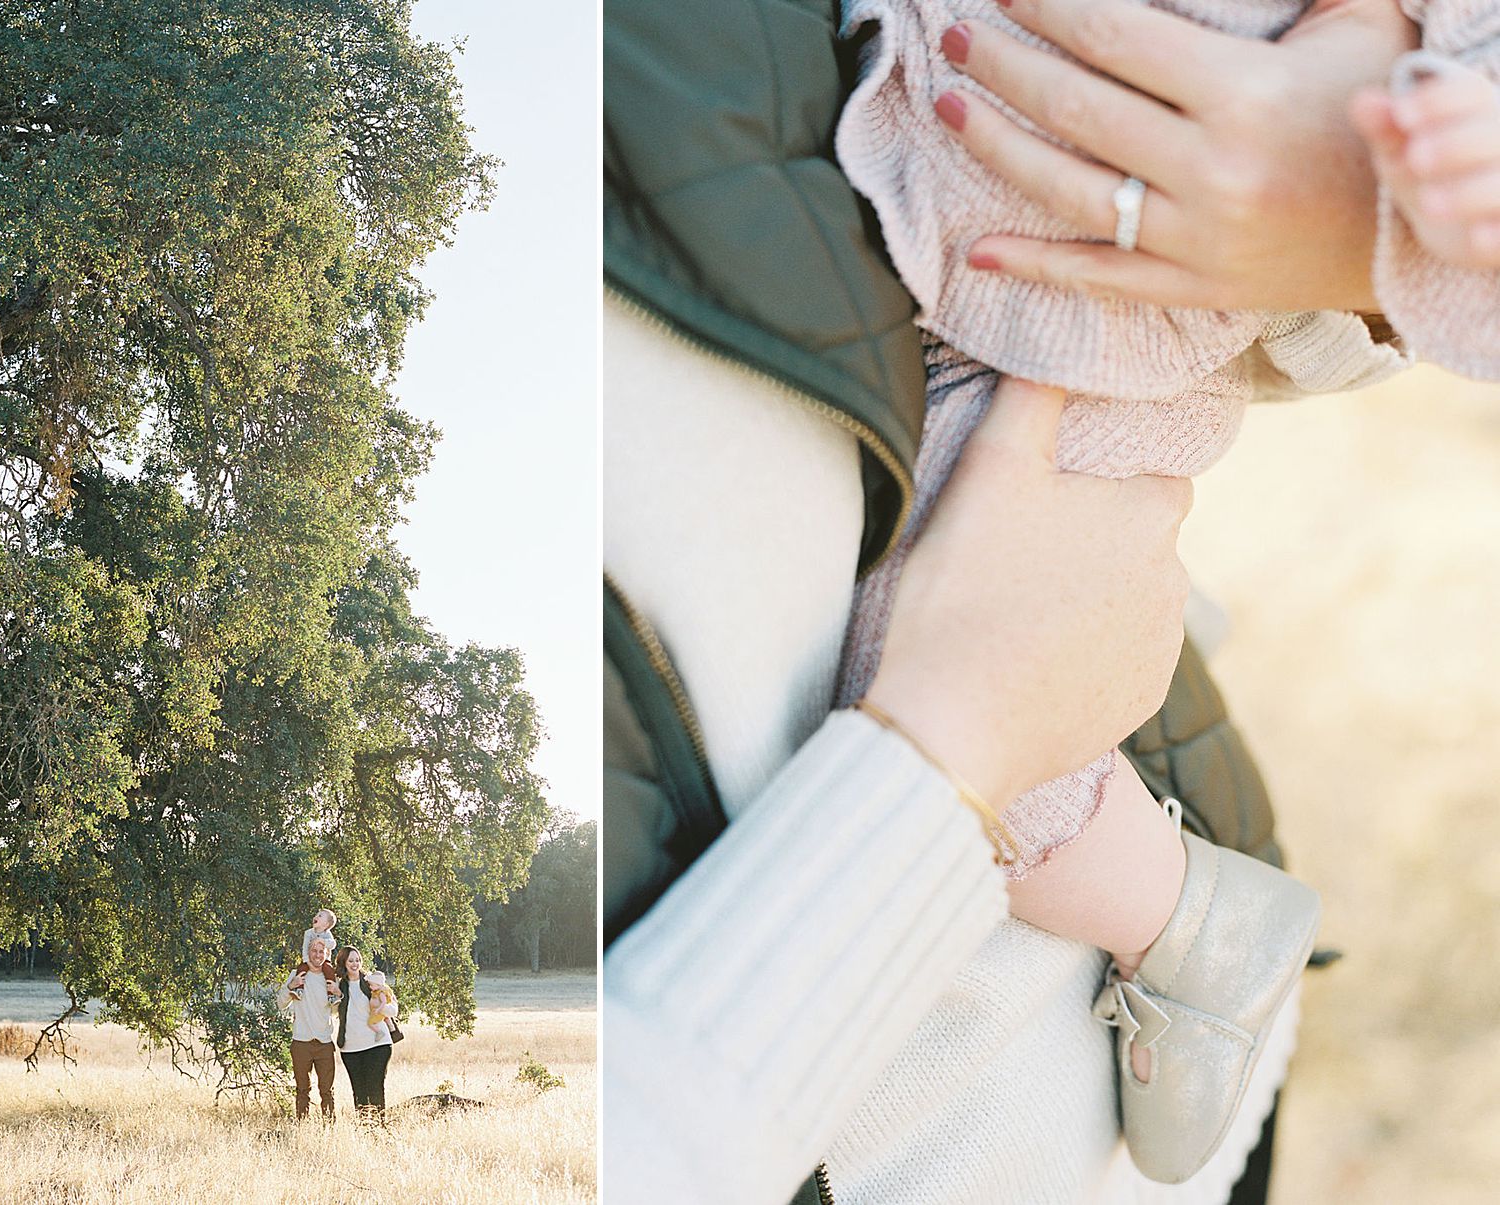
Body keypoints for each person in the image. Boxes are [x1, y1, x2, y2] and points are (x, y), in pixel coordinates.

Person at [602, 0, 1422, 1200]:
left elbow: (1268, 291)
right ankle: (1186, 915)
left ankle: (1187, 915)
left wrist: (1353, 172)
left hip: (1101, 1099)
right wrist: (947, 746)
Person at [278, 936, 340, 1120]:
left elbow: (336, 1010)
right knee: (302, 1089)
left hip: (324, 1043)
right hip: (301, 1042)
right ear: (308, 953)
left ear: (327, 954)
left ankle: (328, 1128)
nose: (317, 955)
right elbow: (281, 1004)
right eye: (314, 950)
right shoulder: (297, 974)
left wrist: (338, 993)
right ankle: (301, 1126)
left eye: (321, 951)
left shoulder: (330, 978)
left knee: (327, 1090)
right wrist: (291, 986)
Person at [334, 947, 398, 1120]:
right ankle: (364, 1130)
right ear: (344, 964)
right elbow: (331, 1010)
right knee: (359, 1093)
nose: (355, 964)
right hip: (350, 1048)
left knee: (375, 1088)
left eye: (357, 960)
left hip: (378, 1044)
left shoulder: (372, 982)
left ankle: (379, 1128)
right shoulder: (340, 986)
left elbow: (394, 1009)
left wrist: (381, 1008)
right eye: (350, 961)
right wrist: (336, 995)